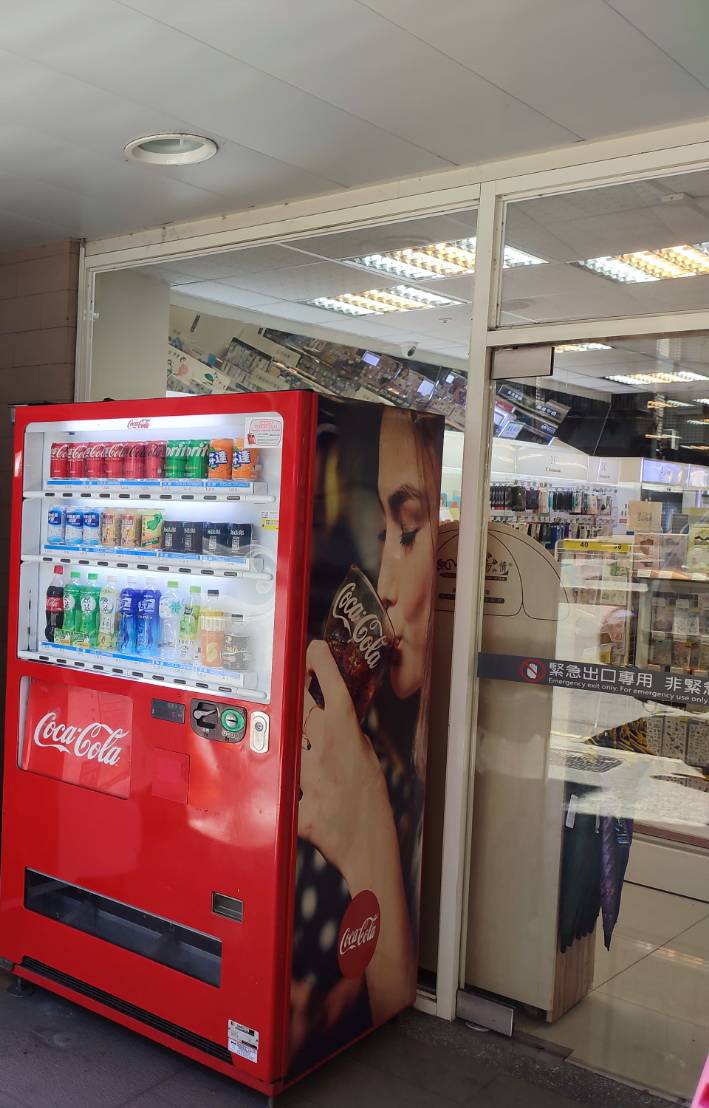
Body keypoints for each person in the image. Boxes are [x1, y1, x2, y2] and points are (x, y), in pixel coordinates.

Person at [290, 405, 441, 1073]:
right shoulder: (372, 734)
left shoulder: (391, 769)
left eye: (407, 531)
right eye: (383, 533)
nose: (384, 585)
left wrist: (366, 837)